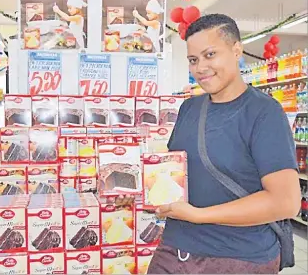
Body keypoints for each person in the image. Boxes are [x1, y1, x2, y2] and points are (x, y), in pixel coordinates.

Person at [116, 14, 301, 274]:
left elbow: (286, 202)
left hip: (238, 257)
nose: (200, 67)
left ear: (236, 50)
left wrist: (199, 215)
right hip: (175, 248)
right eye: (193, 59)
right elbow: (176, 174)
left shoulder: (264, 113)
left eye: (210, 54)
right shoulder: (189, 108)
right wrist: (139, 188)